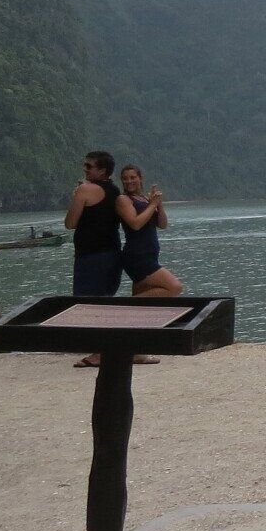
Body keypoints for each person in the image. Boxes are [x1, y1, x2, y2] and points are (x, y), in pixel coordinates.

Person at [64, 149, 124, 369]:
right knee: (104, 301)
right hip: (112, 253)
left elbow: (70, 223)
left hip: (91, 257)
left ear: (102, 170)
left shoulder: (85, 189)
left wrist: (77, 195)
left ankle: (99, 351)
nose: (85, 169)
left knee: (87, 303)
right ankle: (105, 348)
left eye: (89, 166)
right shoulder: (114, 190)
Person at [116, 165, 182, 298]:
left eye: (133, 177)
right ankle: (123, 306)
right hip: (137, 257)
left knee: (144, 303)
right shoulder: (123, 200)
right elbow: (135, 224)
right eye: (125, 178)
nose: (129, 181)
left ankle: (132, 315)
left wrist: (158, 204)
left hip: (150, 256)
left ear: (140, 178)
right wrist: (152, 205)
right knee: (174, 287)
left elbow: (162, 224)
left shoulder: (146, 200)